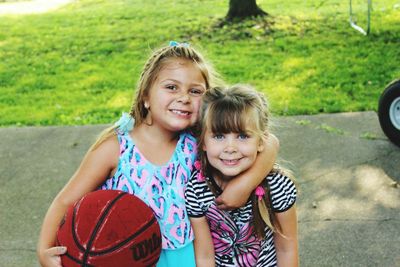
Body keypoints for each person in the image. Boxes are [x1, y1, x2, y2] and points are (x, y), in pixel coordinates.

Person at [36, 42, 279, 267]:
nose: (184, 98)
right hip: (128, 255)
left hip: (190, 255)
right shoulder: (116, 148)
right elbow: (66, 201)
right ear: (145, 97)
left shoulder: (198, 141)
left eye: (195, 91)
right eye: (171, 87)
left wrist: (245, 184)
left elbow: (269, 142)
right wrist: (44, 249)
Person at [185, 85, 298, 267]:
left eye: (243, 136)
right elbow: (205, 256)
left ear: (261, 142)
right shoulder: (196, 190)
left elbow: (287, 248)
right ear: (203, 142)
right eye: (219, 136)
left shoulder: (277, 185)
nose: (230, 148)